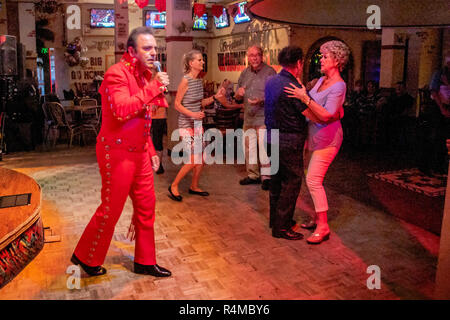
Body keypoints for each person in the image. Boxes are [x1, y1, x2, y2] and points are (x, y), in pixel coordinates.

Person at [71, 27, 172, 277]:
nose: (153, 52)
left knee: (147, 206)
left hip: (139, 153)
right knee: (111, 210)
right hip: (116, 153)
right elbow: (122, 111)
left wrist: (150, 149)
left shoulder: (144, 77)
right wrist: (153, 87)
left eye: (155, 48)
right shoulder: (115, 74)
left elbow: (143, 117)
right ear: (131, 51)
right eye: (146, 48)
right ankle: (85, 256)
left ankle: (145, 261)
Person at [265, 45, 341, 241]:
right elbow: (314, 117)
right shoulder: (292, 87)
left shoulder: (271, 81)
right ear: (298, 64)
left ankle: (276, 221)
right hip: (289, 140)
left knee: (276, 182)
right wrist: (335, 114)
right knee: (291, 183)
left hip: (270, 138)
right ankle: (282, 228)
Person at [283, 40, 349, 244]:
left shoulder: (339, 85)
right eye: (321, 55)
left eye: (326, 56)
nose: (321, 59)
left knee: (313, 179)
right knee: (312, 179)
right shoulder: (321, 81)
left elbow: (327, 115)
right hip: (313, 137)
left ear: (337, 61)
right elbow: (319, 112)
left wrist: (306, 100)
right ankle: (316, 217)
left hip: (328, 140)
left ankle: (323, 226)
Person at [168, 50, 223, 202]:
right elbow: (177, 105)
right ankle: (174, 185)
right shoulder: (185, 80)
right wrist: (193, 115)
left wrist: (214, 97)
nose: (202, 62)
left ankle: (194, 186)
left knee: (202, 157)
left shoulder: (199, 81)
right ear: (191, 63)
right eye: (199, 60)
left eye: (202, 60)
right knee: (193, 158)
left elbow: (200, 103)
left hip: (197, 123)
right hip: (186, 124)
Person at [235, 45, 276, 190]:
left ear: (262, 56)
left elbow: (275, 95)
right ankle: (253, 175)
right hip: (248, 117)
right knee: (249, 147)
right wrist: (238, 94)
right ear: (248, 57)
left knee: (264, 147)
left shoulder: (270, 72)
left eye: (257, 55)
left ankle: (266, 177)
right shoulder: (245, 73)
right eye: (251, 55)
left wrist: (262, 100)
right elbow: (237, 96)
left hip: (263, 117)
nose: (254, 58)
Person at [151, 99, 167, 174]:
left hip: (158, 117)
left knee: (157, 142)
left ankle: (158, 165)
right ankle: (156, 164)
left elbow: (168, 100)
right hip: (148, 115)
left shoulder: (161, 88)